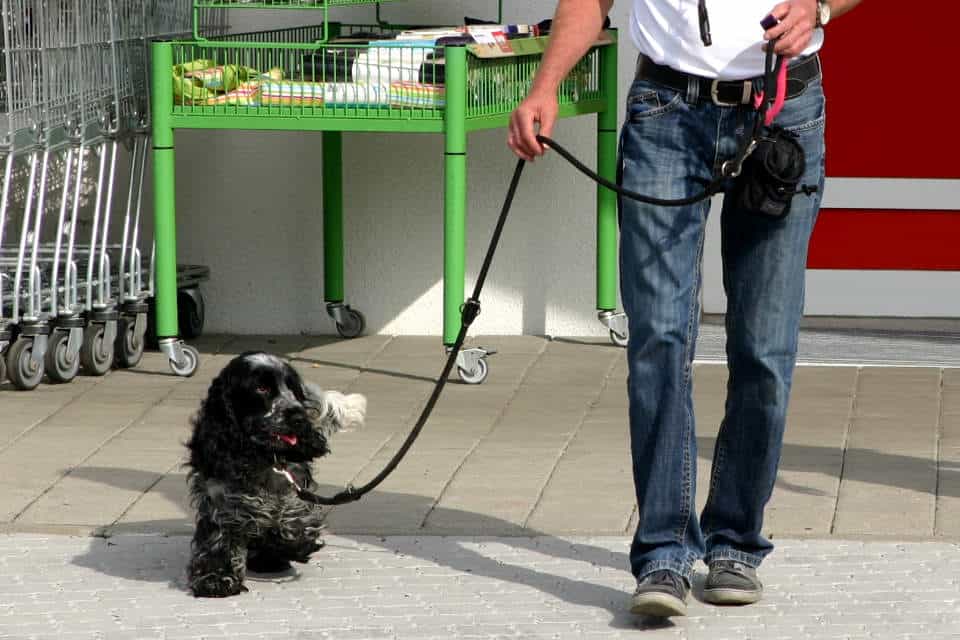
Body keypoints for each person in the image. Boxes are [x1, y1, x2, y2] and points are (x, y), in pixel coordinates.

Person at [509, 0, 862, 618]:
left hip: (784, 107)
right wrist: (546, 87)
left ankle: (735, 543)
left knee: (764, 349)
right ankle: (664, 553)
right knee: (659, 340)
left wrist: (820, 8)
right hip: (666, 113)